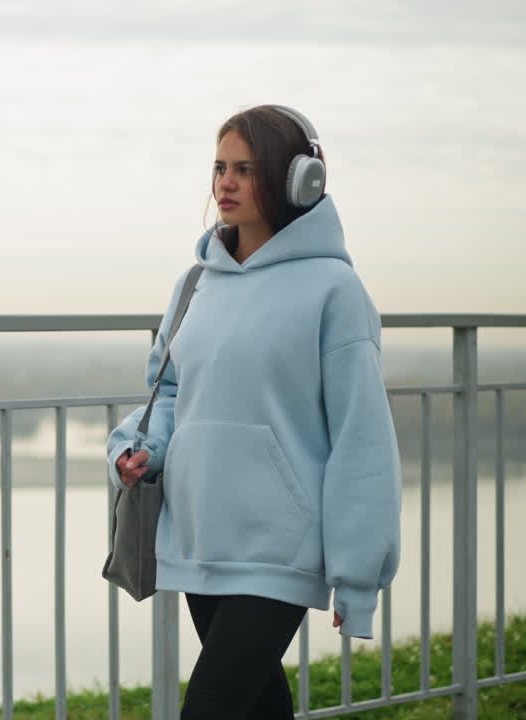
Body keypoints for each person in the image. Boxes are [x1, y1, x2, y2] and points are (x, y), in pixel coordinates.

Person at [105, 105, 402, 719]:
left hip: (280, 549)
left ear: (300, 181)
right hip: (199, 538)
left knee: (209, 709)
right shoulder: (196, 283)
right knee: (259, 708)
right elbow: (170, 397)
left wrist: (357, 575)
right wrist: (136, 451)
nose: (226, 184)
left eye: (246, 168)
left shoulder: (334, 292)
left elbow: (362, 442)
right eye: (219, 168)